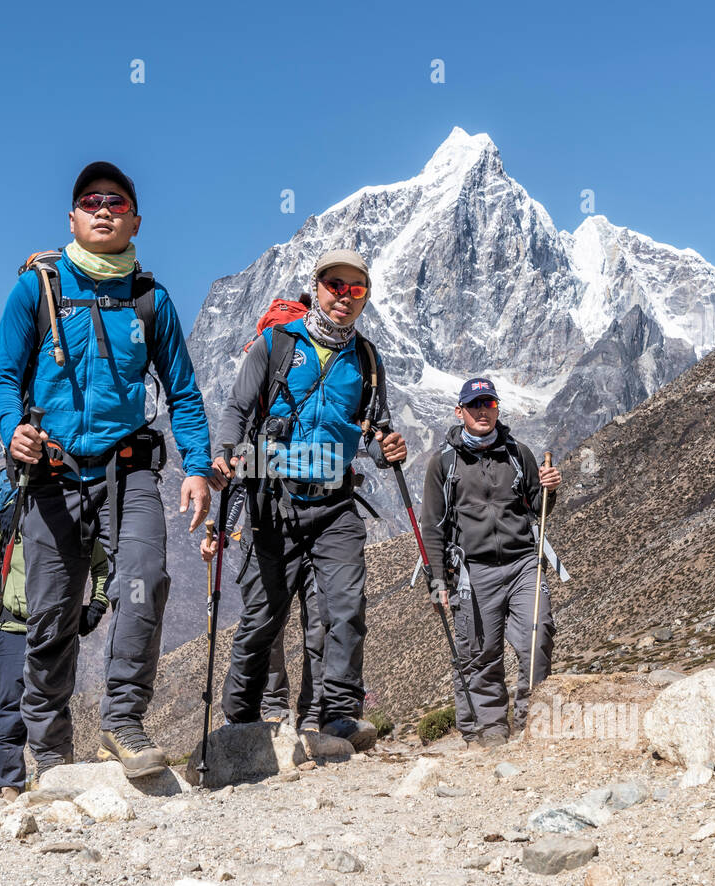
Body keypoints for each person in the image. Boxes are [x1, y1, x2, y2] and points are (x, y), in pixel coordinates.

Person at [0, 161, 213, 780]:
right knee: (52, 612)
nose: (104, 209)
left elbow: (185, 395)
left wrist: (198, 468)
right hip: (51, 476)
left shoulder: (150, 299)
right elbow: (2, 377)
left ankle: (122, 722)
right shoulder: (37, 289)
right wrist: (15, 433)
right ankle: (52, 750)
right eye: (91, 201)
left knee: (143, 580)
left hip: (128, 471)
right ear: (73, 218)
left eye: (116, 201)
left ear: (135, 219)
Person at [212, 250, 406, 751]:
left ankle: (339, 715)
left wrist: (387, 450)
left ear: (365, 297)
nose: (344, 296)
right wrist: (228, 453)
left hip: (337, 504)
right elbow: (237, 406)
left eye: (356, 289)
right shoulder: (276, 344)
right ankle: (240, 717)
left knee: (343, 608)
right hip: (271, 501)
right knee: (264, 616)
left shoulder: (366, 359)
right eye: (335, 285)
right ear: (316, 286)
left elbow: (374, 430)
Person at [0, 472, 111, 800]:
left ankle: (56, 775)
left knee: (55, 701)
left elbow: (102, 568)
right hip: (16, 628)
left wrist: (97, 605)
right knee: (12, 710)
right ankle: (9, 787)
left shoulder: (73, 522)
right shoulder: (7, 524)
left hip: (58, 629)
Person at [419, 378, 562, 745]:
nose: (483, 411)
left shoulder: (518, 453)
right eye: (475, 405)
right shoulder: (444, 463)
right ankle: (491, 731)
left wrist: (550, 488)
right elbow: (432, 528)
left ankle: (533, 723)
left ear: (498, 408)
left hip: (522, 563)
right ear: (460, 411)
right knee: (481, 652)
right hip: (472, 569)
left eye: (490, 404)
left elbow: (540, 509)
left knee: (538, 634)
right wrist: (439, 581)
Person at [200, 482, 324, 725]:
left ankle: (314, 712)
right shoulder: (253, 443)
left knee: (321, 622)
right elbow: (237, 482)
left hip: (320, 526)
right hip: (266, 531)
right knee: (267, 625)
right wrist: (220, 532)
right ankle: (272, 704)